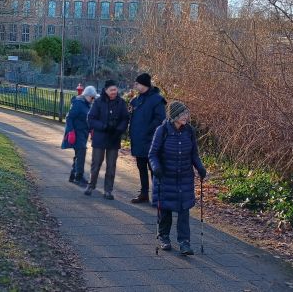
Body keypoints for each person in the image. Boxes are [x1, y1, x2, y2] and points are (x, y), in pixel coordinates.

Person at [149, 101, 207, 255]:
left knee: (183, 210)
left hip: (184, 178)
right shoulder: (162, 131)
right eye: (182, 114)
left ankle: (184, 242)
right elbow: (153, 154)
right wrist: (156, 168)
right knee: (166, 210)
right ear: (174, 116)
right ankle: (164, 237)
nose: (186, 117)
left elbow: (194, 154)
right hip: (165, 177)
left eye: (186, 114)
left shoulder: (189, 131)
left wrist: (200, 168)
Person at [85, 79, 129, 200]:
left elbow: (125, 119)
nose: (114, 92)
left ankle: (108, 190)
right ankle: (91, 186)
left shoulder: (121, 103)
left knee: (111, 166)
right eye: (111, 90)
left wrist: (118, 130)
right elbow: (91, 118)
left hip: (114, 139)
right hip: (100, 138)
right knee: (96, 163)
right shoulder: (98, 102)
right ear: (106, 90)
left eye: (115, 89)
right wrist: (104, 126)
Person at [128, 73, 166, 204]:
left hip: (151, 141)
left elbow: (160, 119)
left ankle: (158, 197)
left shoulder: (157, 99)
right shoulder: (137, 99)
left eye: (137, 83)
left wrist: (147, 131)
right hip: (138, 141)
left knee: (154, 169)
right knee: (141, 167)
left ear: (143, 84)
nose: (135, 85)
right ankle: (144, 194)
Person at [61, 85, 97, 186]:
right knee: (81, 154)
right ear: (87, 95)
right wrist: (71, 131)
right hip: (76, 133)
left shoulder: (87, 104)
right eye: (92, 97)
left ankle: (73, 176)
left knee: (79, 155)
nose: (93, 99)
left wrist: (91, 130)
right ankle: (78, 177)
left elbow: (87, 119)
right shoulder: (78, 103)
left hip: (83, 133)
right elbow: (69, 118)